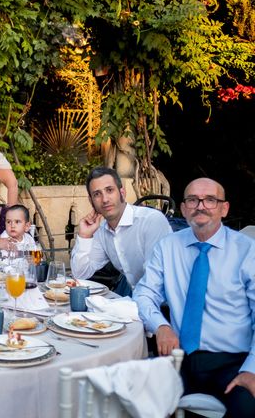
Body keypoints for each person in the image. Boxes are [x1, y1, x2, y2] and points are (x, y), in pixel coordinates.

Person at [134, 178, 255, 416]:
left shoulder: (247, 251)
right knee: (130, 393)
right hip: (180, 358)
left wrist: (252, 370)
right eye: (192, 200)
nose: (200, 206)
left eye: (210, 200)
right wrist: (161, 326)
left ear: (224, 208)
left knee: (248, 407)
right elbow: (144, 292)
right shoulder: (167, 247)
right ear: (183, 209)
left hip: (234, 362)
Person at [70, 167, 172, 296]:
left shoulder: (151, 221)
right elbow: (80, 274)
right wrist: (84, 236)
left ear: (122, 192)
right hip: (137, 301)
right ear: (91, 201)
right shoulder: (102, 231)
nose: (105, 199)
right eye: (97, 194)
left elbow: (155, 280)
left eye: (109, 190)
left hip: (167, 307)